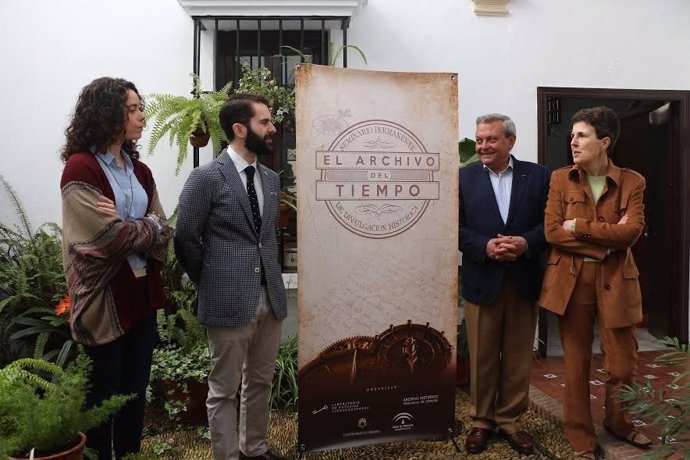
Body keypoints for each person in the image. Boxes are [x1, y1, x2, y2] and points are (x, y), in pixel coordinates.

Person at [60, 77, 170, 460]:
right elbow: (107, 240)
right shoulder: (80, 168)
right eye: (134, 108)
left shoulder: (138, 171)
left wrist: (140, 228)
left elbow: (164, 230)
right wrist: (146, 227)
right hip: (103, 298)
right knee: (102, 397)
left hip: (142, 292)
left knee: (134, 392)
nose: (143, 115)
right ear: (109, 114)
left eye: (140, 107)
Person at [175, 94, 287, 460]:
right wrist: (210, 280)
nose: (272, 128)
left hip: (269, 298)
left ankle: (254, 449)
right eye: (264, 122)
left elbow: (265, 237)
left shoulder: (270, 179)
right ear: (239, 129)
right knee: (224, 389)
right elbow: (185, 237)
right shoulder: (205, 178)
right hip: (226, 299)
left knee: (260, 381)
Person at [539, 106, 651, 459]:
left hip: (618, 282)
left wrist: (581, 227)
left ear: (604, 142)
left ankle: (619, 422)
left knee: (622, 364)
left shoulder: (633, 181)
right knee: (575, 364)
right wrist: (607, 240)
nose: (573, 142)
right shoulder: (560, 178)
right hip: (571, 282)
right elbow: (553, 232)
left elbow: (630, 233)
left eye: (581, 135)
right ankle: (580, 435)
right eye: (572, 135)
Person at [459, 113, 549, 456]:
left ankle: (510, 420)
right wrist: (484, 246)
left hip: (523, 279)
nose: (482, 146)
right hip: (482, 279)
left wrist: (525, 243)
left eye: (491, 139)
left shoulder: (538, 176)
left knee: (517, 356)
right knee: (481, 356)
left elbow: (548, 225)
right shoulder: (464, 178)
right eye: (480, 139)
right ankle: (481, 421)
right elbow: (455, 226)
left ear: (510, 140)